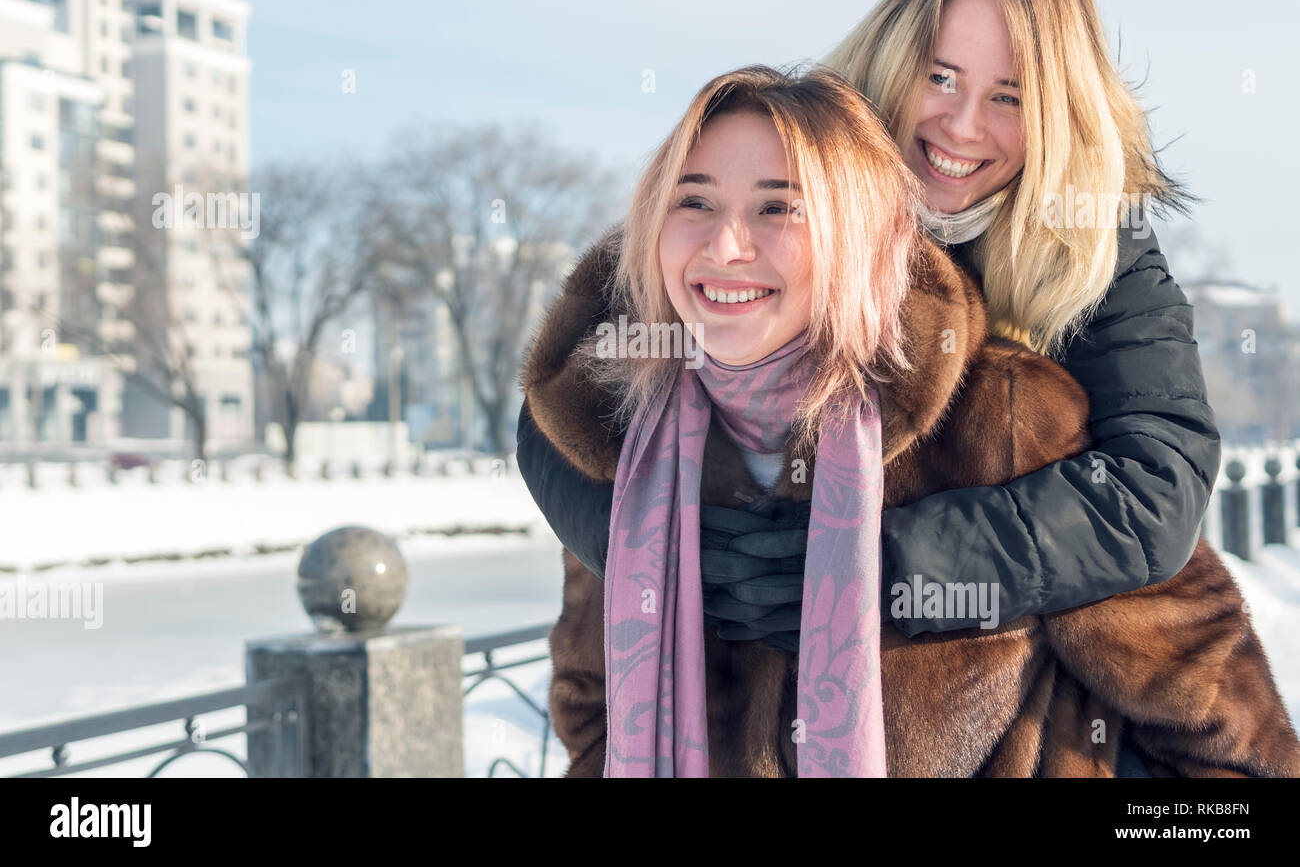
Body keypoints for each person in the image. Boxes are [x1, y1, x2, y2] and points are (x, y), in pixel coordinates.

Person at [521, 64, 1299, 777]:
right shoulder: (631, 440)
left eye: (778, 207)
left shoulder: (1003, 418)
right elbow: (593, 711)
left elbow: (1234, 749)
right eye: (694, 202)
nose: (727, 245)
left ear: (860, 234)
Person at [516, 0, 1220, 651]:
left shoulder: (1095, 243)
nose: (962, 126)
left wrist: (879, 568)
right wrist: (671, 557)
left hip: (967, 690)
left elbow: (1155, 486)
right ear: (895, 58)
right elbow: (556, 404)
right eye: (940, 77)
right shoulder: (789, 151)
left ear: (1054, 113)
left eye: (1008, 97)